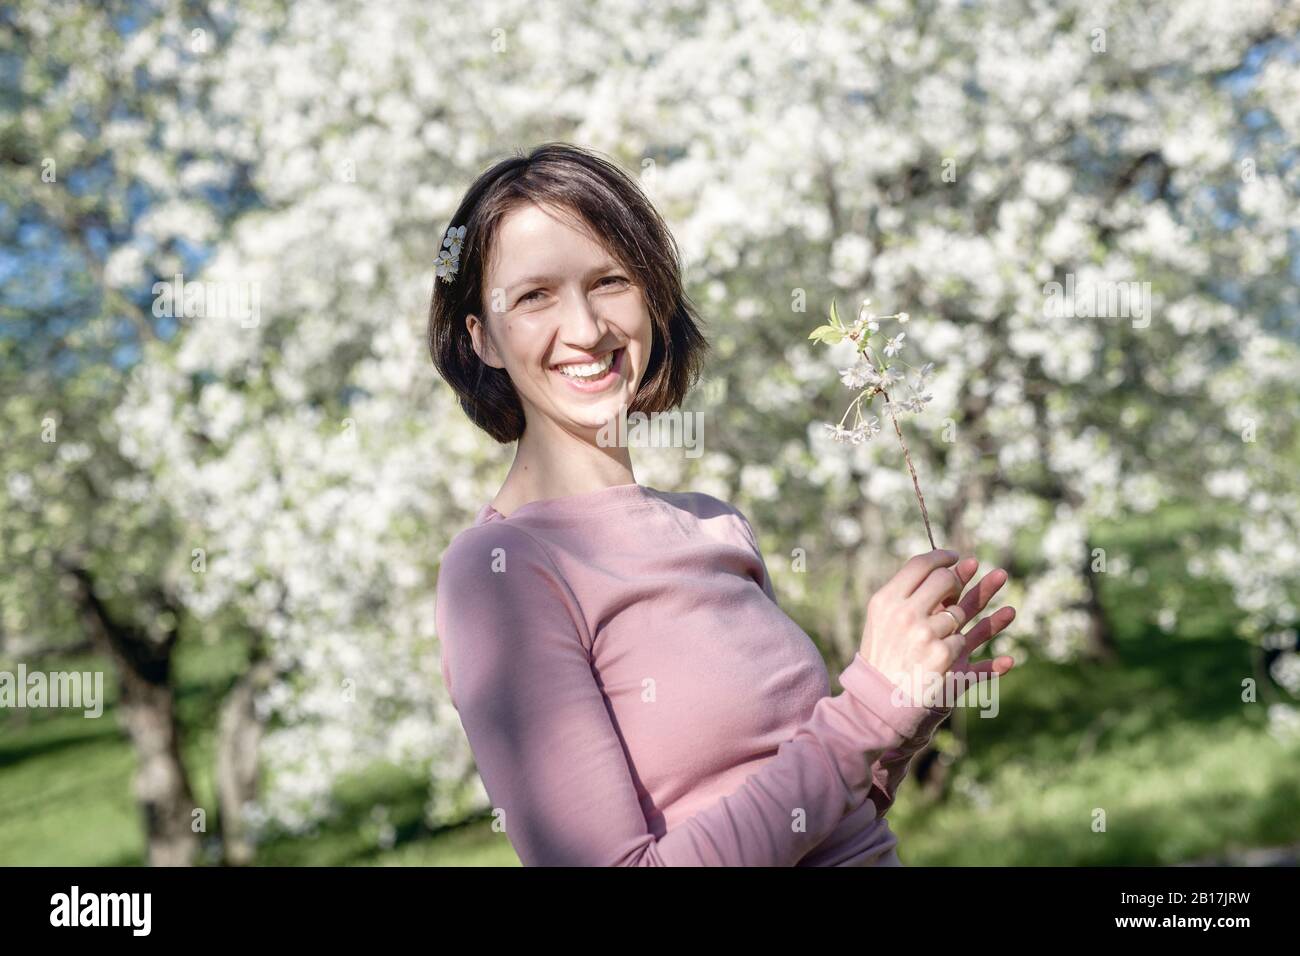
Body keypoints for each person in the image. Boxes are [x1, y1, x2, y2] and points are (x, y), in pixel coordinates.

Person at [427, 142, 1016, 866]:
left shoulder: (714, 524)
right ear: (481, 338)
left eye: (610, 281)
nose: (585, 329)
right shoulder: (500, 572)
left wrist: (901, 719)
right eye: (535, 296)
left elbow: (812, 815)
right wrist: (863, 714)